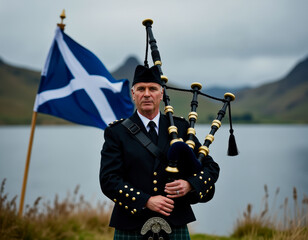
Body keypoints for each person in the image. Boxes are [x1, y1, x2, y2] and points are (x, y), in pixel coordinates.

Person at [99, 65, 220, 240]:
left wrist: (190, 184)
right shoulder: (116, 132)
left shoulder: (181, 127)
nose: (146, 94)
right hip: (131, 224)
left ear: (161, 94)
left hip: (175, 223)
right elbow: (109, 180)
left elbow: (210, 167)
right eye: (141, 89)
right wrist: (146, 200)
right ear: (133, 94)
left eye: (152, 89)